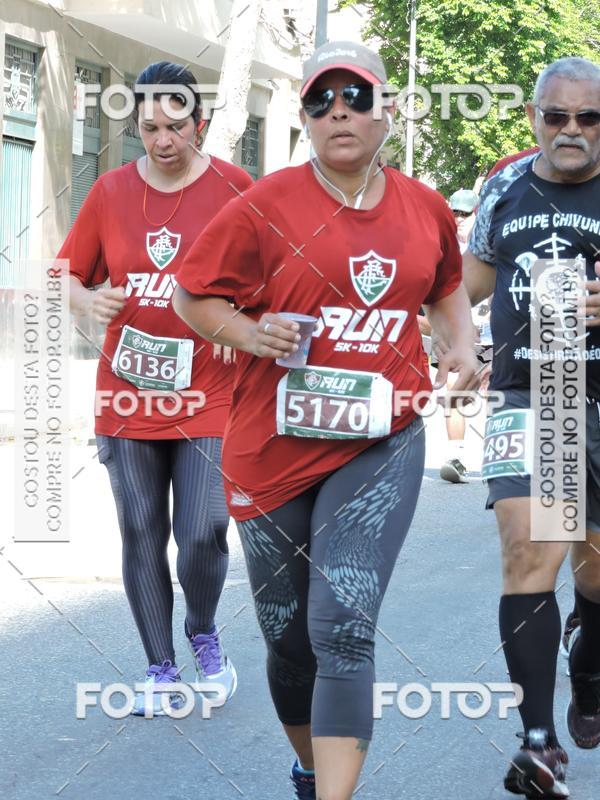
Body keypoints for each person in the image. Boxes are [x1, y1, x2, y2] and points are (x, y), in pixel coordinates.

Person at [173, 40, 479, 800]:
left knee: (340, 622)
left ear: (388, 111)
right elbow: (193, 297)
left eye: (355, 96)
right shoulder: (264, 205)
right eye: (320, 100)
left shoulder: (426, 207)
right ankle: (310, 773)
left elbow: (445, 291)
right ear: (307, 117)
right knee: (289, 638)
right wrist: (249, 333)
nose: (338, 110)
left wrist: (462, 348)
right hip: (271, 446)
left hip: (382, 436)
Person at [59, 61, 253, 714]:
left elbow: (272, 276)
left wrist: (243, 320)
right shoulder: (111, 192)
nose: (163, 140)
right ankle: (159, 668)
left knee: (202, 531)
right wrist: (83, 303)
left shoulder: (235, 188)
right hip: (127, 392)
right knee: (141, 530)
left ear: (200, 124)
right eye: (149, 127)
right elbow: (66, 274)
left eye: (175, 126)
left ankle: (202, 627)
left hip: (210, 393)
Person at [464, 56, 600, 798]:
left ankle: (590, 666)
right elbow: (469, 282)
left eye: (588, 118)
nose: (571, 131)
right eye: (558, 117)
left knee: (597, 571)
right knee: (529, 555)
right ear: (534, 118)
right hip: (536, 393)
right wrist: (447, 336)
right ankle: (538, 744)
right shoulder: (505, 189)